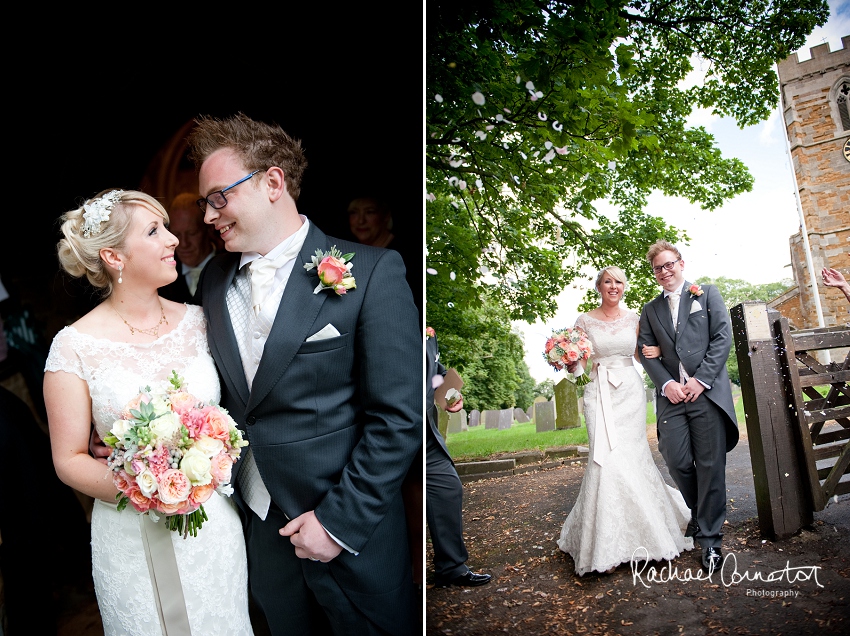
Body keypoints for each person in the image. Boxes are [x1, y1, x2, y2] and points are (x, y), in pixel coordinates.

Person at [187, 113, 422, 634]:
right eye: (206, 203)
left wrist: (338, 524)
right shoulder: (211, 284)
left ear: (272, 182)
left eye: (218, 197)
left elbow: (398, 418)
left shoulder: (373, 273)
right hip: (258, 531)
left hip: (350, 535)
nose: (208, 216)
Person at [43, 189, 254, 635]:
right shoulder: (74, 347)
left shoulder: (201, 321)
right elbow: (68, 459)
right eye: (155, 231)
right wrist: (146, 491)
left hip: (211, 527)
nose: (174, 240)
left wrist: (197, 480)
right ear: (114, 257)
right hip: (130, 534)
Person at [556, 266, 694, 575]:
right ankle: (602, 544)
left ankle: (650, 534)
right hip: (597, 391)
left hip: (629, 392)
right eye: (607, 281)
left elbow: (642, 356)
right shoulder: (584, 320)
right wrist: (575, 373)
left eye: (619, 281)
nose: (613, 286)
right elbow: (575, 366)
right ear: (599, 286)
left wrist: (659, 350)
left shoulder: (635, 318)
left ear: (624, 286)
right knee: (602, 459)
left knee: (631, 455)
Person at [637, 241, 739, 572]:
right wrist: (667, 385)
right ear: (654, 274)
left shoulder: (706, 294)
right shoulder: (650, 310)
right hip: (672, 398)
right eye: (658, 268)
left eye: (669, 265)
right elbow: (645, 350)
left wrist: (701, 380)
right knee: (677, 459)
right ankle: (700, 512)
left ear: (681, 264)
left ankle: (710, 539)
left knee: (710, 465)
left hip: (705, 393)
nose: (665, 271)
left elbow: (722, 337)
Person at [426, 326, 492, 588]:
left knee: (448, 486)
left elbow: (434, 371)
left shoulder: (429, 332)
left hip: (425, 434)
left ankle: (451, 567)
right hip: (390, 427)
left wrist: (447, 393)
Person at [159, 191, 217, 303]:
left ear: (209, 228)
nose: (184, 243)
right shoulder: (161, 277)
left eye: (192, 233)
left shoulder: (232, 265)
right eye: (177, 235)